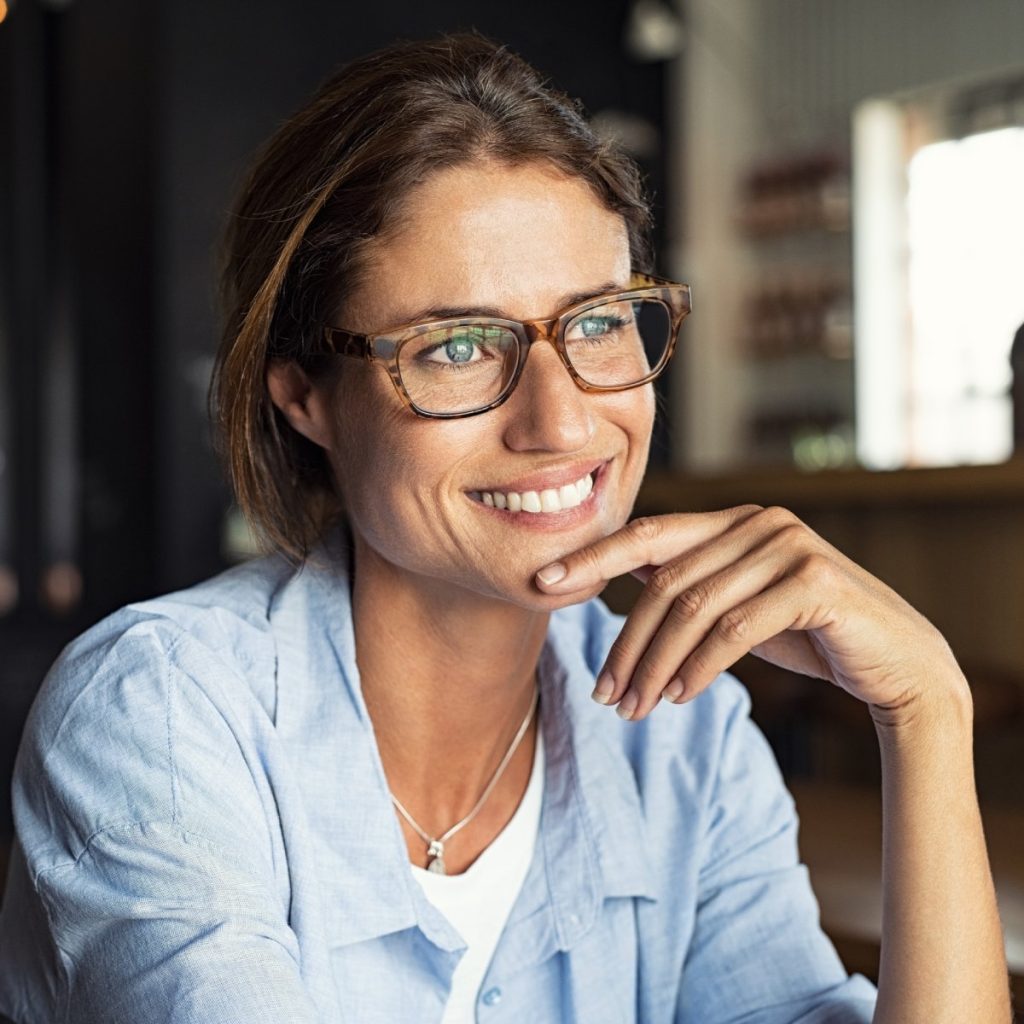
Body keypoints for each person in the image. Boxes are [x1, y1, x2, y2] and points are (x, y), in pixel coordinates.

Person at [0, 32, 1010, 1024]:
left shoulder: (681, 737)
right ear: (304, 392)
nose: (562, 421)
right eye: (459, 346)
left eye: (602, 321)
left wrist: (926, 707)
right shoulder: (164, 719)